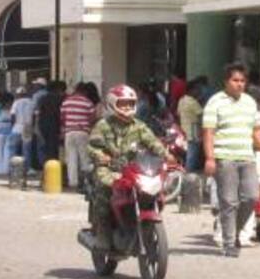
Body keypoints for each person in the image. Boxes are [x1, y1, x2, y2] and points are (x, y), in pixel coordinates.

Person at [87, 84, 169, 251]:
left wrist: (167, 155)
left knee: (150, 190)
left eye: (130, 103)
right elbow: (93, 147)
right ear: (112, 104)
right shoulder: (103, 125)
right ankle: (103, 233)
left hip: (132, 168)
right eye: (122, 103)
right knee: (105, 190)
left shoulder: (139, 126)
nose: (127, 107)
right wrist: (101, 156)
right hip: (108, 168)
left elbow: (153, 142)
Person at [203, 62, 260, 258]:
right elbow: (208, 132)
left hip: (247, 157)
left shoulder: (250, 102)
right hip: (225, 158)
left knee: (252, 196)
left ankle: (234, 231)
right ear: (226, 81)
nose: (239, 84)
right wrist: (210, 158)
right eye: (235, 80)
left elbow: (255, 130)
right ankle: (229, 242)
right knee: (229, 201)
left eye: (242, 81)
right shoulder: (215, 101)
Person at [60, 83, 96, 191]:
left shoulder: (66, 102)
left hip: (69, 132)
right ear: (84, 91)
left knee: (71, 158)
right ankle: (86, 182)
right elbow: (92, 118)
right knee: (84, 157)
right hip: (83, 132)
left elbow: (62, 118)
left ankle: (73, 183)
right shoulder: (88, 102)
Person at [177, 79, 205, 172]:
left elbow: (178, 114)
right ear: (192, 90)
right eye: (197, 89)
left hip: (184, 131)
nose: (199, 91)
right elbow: (201, 116)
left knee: (191, 153)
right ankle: (188, 172)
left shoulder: (182, 100)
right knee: (192, 154)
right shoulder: (193, 102)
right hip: (194, 131)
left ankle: (189, 171)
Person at [10, 86, 36, 173]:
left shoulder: (16, 103)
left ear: (18, 95)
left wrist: (13, 125)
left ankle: (14, 169)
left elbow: (13, 116)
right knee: (27, 150)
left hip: (17, 127)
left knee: (14, 149)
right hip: (28, 127)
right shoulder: (31, 102)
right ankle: (27, 168)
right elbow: (34, 115)